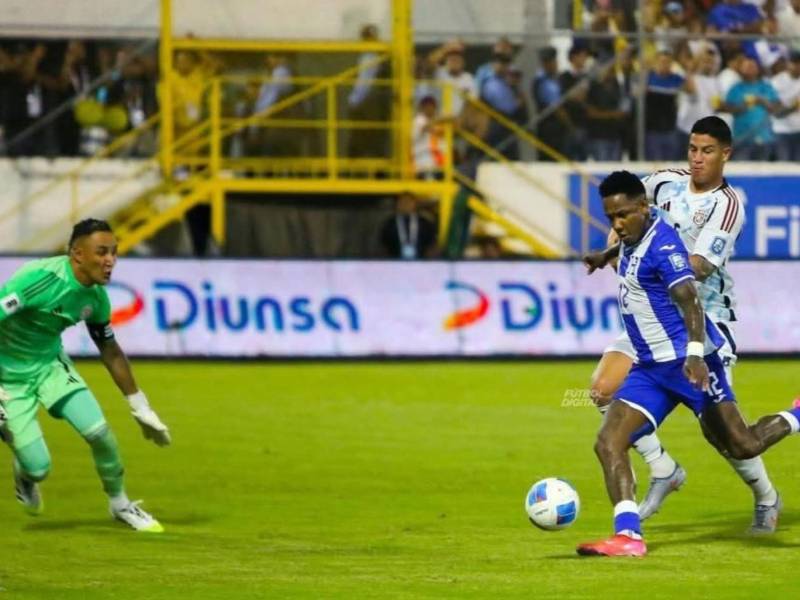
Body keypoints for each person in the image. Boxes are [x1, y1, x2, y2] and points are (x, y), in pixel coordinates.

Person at [576, 170, 800, 557]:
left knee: (742, 445)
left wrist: (696, 356)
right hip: (650, 369)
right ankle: (628, 536)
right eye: (611, 217)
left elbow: (690, 301)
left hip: (686, 364)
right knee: (608, 441)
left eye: (623, 215)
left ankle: (796, 415)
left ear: (644, 207)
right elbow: (629, 246)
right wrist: (604, 255)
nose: (617, 224)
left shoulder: (665, 247)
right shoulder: (635, 234)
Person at [0, 219, 170, 532]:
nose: (111, 260)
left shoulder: (96, 298)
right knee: (39, 468)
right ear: (78, 254)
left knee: (100, 434)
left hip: (50, 367)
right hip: (6, 378)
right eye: (102, 252)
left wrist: (141, 407)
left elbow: (110, 349)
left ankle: (120, 504)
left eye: (114, 252)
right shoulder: (38, 279)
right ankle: (26, 475)